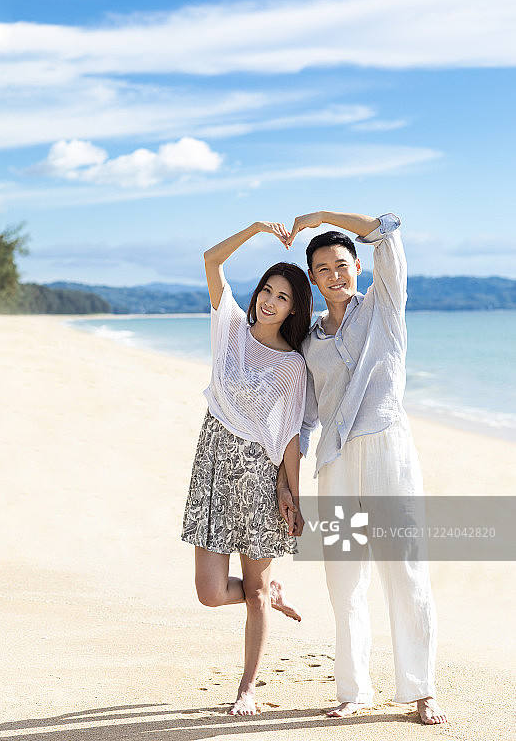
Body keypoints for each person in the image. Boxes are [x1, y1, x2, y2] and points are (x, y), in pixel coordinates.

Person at [277, 210, 448, 726]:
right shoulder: (308, 343)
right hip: (337, 465)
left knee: (406, 570)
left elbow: (386, 229)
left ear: (358, 265)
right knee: (345, 580)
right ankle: (355, 689)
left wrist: (321, 218)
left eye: (341, 263)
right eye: (323, 268)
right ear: (312, 279)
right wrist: (290, 490)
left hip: (387, 450)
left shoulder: (385, 305)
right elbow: (302, 421)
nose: (334, 274)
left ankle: (422, 690)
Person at [182, 221, 312, 716]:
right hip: (213, 467)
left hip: (258, 478)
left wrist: (295, 498)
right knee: (210, 593)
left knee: (253, 591)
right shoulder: (230, 324)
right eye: (266, 290)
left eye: (282, 297)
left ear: (295, 307)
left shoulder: (292, 367)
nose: (269, 301)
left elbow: (290, 437)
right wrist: (257, 229)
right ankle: (269, 593)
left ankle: (247, 688)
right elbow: (212, 262)